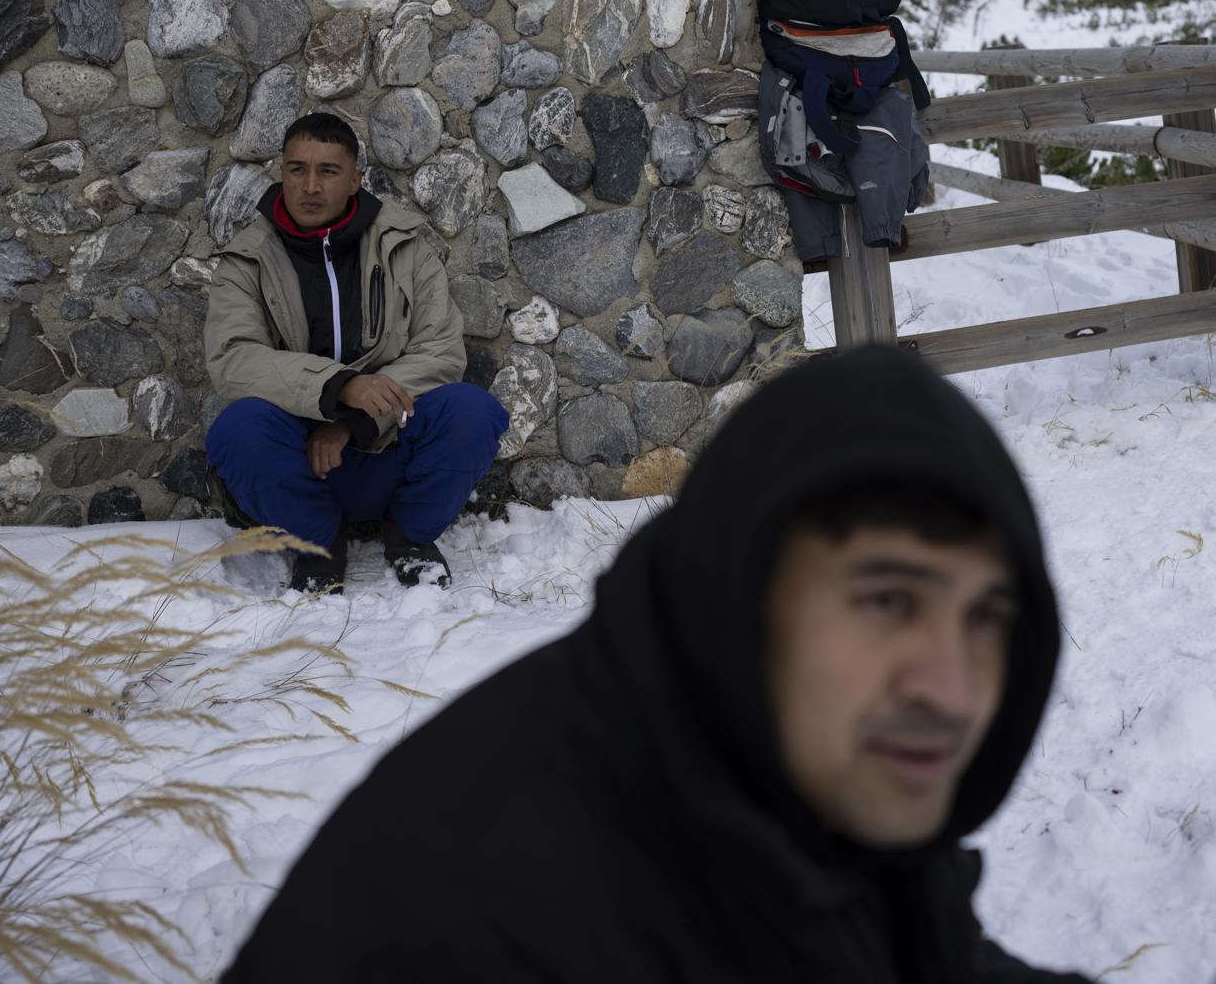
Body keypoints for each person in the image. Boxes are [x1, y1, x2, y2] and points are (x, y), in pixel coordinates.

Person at [222, 345, 1093, 982]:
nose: (947, 686)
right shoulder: (507, 908)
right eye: (886, 602)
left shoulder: (796, 765)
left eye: (988, 616)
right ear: (743, 590)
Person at [204, 112, 507, 592]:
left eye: (328, 171)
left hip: (387, 444)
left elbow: (441, 351)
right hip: (303, 459)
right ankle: (317, 547)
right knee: (237, 430)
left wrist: (355, 423)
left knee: (473, 411)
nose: (310, 185)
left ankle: (410, 538)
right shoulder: (247, 260)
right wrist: (339, 388)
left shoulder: (404, 248)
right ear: (281, 173)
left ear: (354, 182)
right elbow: (235, 359)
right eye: (297, 169)